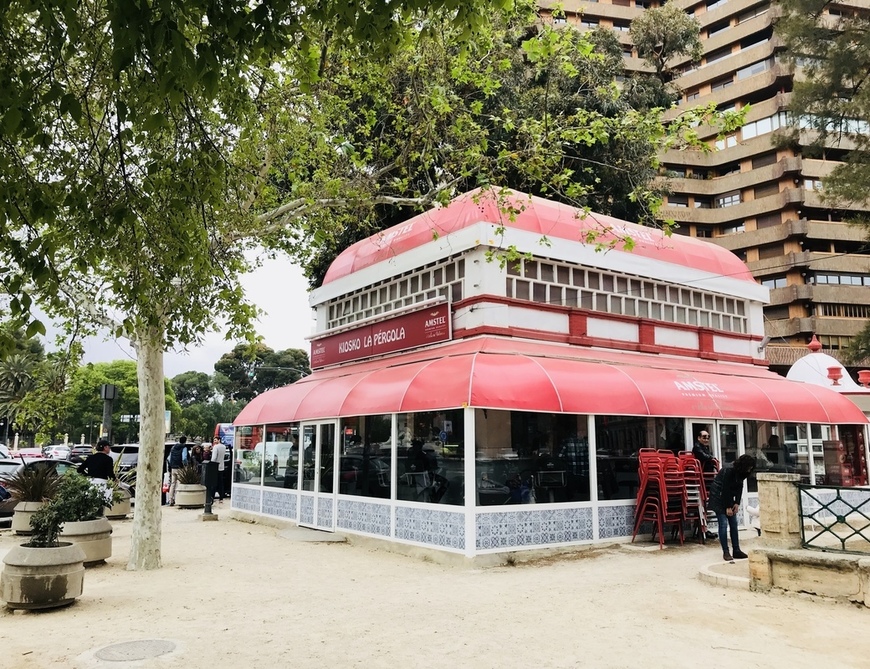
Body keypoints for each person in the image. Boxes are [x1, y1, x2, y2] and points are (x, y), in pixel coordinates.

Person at [707, 453, 757, 561]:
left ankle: (736, 550)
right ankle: (726, 551)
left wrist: (737, 503)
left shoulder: (742, 473)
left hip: (728, 497)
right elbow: (725, 489)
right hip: (718, 497)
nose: (749, 470)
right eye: (749, 467)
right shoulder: (729, 470)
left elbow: (739, 487)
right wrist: (728, 506)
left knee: (734, 523)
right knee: (723, 524)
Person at [166, 435, 188, 506]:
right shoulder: (184, 448)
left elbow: (169, 458)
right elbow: (184, 458)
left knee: (173, 484)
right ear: (185, 441)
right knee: (179, 483)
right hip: (180, 467)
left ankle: (170, 500)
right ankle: (178, 499)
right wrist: (185, 465)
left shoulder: (173, 447)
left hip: (173, 467)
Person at [211, 436, 227, 501]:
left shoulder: (215, 447)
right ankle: (221, 497)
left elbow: (214, 457)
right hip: (221, 466)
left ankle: (212, 496)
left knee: (214, 483)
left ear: (219, 440)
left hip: (215, 467)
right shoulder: (224, 447)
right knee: (221, 483)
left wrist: (211, 464)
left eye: (215, 440)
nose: (214, 442)